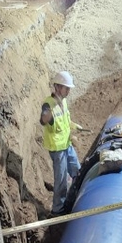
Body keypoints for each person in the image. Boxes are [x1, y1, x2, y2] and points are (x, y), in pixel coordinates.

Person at [40, 70, 84, 215]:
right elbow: (44, 119)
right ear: (58, 87)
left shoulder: (63, 102)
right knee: (61, 181)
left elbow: (65, 120)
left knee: (78, 171)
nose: (69, 91)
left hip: (67, 144)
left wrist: (74, 125)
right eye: (67, 88)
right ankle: (57, 210)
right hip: (57, 149)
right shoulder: (48, 104)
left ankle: (73, 199)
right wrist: (48, 113)